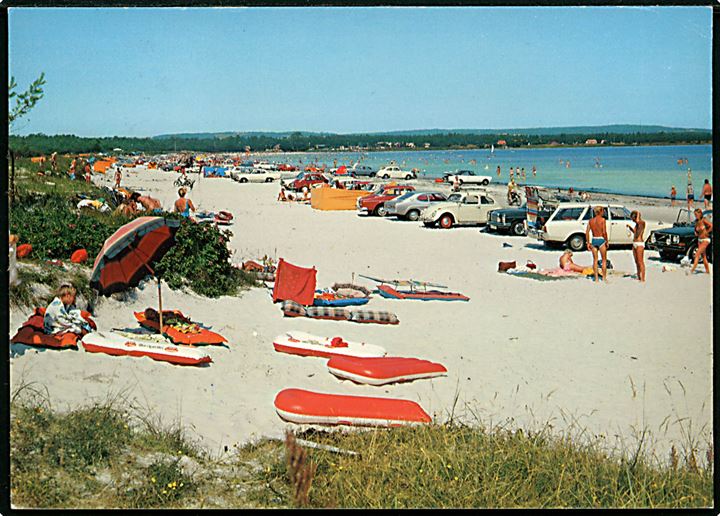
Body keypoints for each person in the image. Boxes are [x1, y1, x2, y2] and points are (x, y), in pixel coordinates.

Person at [585, 205, 609, 282]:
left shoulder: (591, 221)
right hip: (601, 239)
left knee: (595, 260)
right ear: (601, 212)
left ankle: (596, 278)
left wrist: (588, 242)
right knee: (604, 260)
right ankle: (604, 277)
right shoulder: (602, 220)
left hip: (594, 240)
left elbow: (587, 232)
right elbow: (604, 232)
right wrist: (606, 241)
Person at [690, 208, 712, 275]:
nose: (695, 216)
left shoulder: (704, 220)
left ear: (700, 214)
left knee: (697, 254)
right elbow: (695, 230)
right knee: (703, 256)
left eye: (696, 214)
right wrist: (696, 232)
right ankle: (707, 271)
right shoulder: (696, 222)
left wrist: (707, 232)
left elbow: (711, 226)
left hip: (705, 240)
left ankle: (692, 270)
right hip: (699, 240)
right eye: (695, 215)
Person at [628, 210, 646, 282]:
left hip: (639, 244)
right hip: (635, 243)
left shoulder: (642, 223)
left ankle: (643, 278)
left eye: (633, 219)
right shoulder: (637, 224)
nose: (633, 221)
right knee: (636, 261)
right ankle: (639, 276)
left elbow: (639, 232)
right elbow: (636, 233)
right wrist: (631, 229)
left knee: (640, 261)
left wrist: (638, 215)